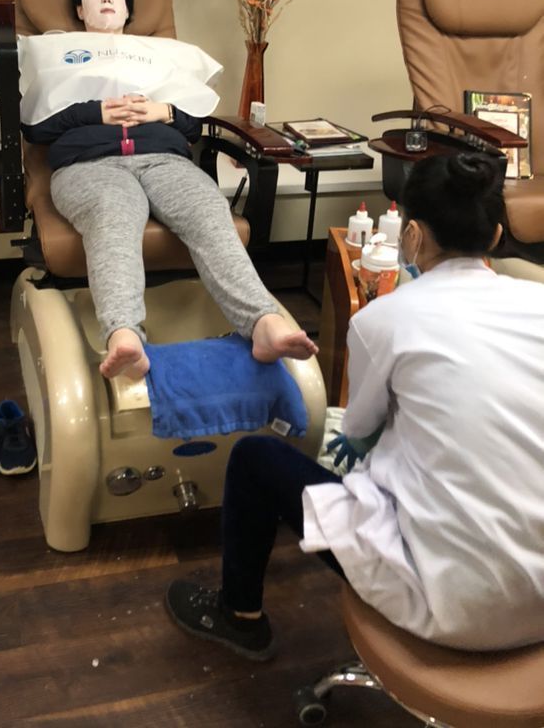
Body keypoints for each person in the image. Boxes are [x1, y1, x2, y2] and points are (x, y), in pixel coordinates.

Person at [165, 152, 544, 657]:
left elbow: (361, 428)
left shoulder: (384, 318)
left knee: (257, 461)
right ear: (497, 236)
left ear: (411, 235)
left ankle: (239, 615)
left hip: (455, 606)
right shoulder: (536, 305)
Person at [21, 0, 318, 380]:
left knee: (207, 208)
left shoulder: (157, 57)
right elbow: (34, 127)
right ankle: (124, 336)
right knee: (113, 211)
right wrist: (95, 111)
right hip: (89, 165)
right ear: (79, 8)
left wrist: (166, 111)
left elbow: (193, 125)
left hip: (164, 159)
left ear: (128, 10)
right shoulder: (59, 54)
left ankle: (264, 324)